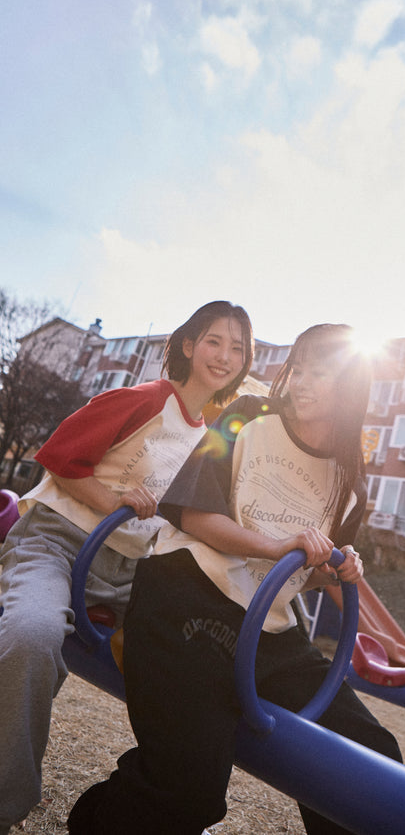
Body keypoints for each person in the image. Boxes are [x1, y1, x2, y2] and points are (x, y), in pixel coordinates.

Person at [68, 323, 402, 835]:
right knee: (189, 792)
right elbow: (193, 515)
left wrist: (335, 568)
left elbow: (300, 578)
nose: (302, 383)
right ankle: (99, 819)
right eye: (300, 369)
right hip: (189, 599)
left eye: (321, 373)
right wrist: (275, 545)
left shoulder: (349, 480)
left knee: (373, 759)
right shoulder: (249, 417)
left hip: (270, 629)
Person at [0, 300, 254, 835]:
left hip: (131, 569)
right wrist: (116, 499)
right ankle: (5, 799)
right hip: (60, 540)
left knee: (201, 656)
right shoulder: (142, 399)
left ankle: (166, 801)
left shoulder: (212, 439)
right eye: (214, 341)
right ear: (188, 345)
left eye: (238, 347)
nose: (224, 355)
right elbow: (61, 457)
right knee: (33, 631)